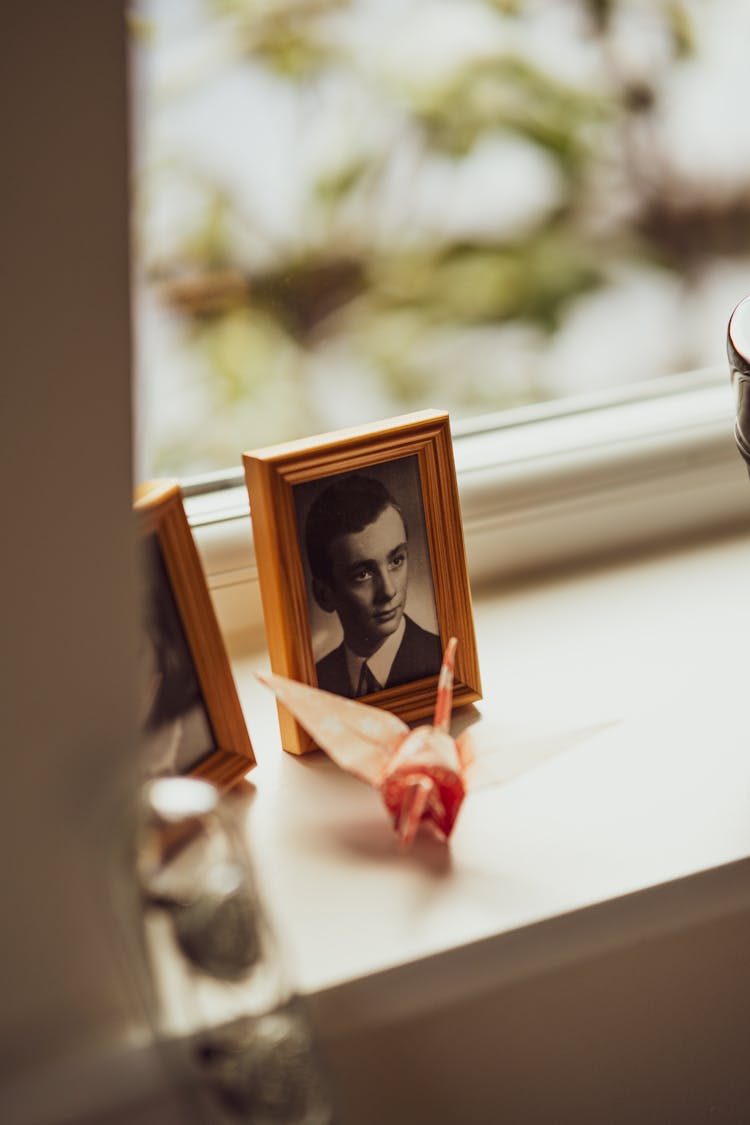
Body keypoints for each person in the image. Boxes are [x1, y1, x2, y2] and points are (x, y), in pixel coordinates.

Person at [304, 473, 442, 697]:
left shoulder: (444, 660)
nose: (389, 591)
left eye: (396, 561)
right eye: (363, 574)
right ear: (324, 595)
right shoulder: (314, 688)